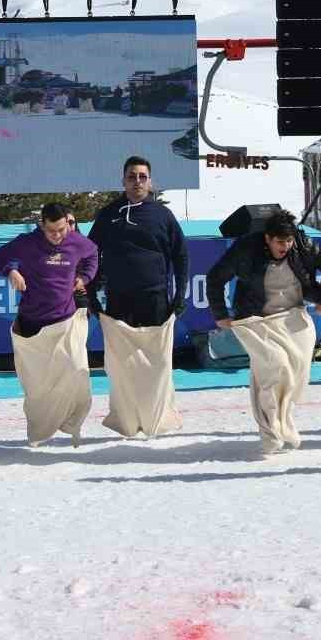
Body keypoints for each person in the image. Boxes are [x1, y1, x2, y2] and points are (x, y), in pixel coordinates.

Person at [207, 209, 321, 456]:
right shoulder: (246, 249)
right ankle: (269, 432)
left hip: (293, 315)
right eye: (280, 242)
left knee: (297, 372)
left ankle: (284, 420)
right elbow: (214, 277)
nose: (286, 247)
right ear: (268, 238)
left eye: (289, 241)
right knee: (272, 368)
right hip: (256, 319)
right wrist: (220, 315)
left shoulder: (300, 244)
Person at [88, 156, 191, 438]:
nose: (137, 182)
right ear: (123, 180)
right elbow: (89, 255)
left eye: (142, 177)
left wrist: (179, 294)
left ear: (150, 181)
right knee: (124, 365)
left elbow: (181, 256)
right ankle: (128, 420)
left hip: (155, 298)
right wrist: (92, 296)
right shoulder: (108, 214)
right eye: (132, 176)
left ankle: (158, 418)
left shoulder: (162, 215)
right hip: (119, 300)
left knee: (156, 364)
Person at [0, 203, 100, 447]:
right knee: (38, 386)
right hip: (33, 325)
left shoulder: (77, 241)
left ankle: (72, 424)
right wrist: (11, 271)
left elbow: (92, 255)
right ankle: (40, 429)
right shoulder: (26, 242)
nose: (57, 236)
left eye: (61, 230)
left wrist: (84, 277)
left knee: (76, 373)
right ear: (41, 225)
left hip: (65, 322)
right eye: (51, 231)